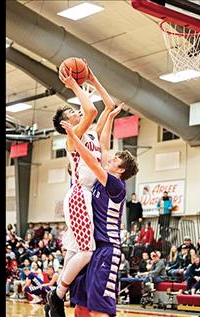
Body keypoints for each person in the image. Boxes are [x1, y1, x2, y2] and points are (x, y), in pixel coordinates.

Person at [48, 103, 138, 317]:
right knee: (82, 306)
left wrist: (75, 139)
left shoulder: (115, 185)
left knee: (98, 310)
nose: (110, 158)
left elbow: (95, 156)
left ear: (120, 170)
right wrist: (110, 116)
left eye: (115, 160)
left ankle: (57, 294)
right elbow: (103, 144)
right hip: (95, 244)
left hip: (107, 248)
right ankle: (57, 295)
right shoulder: (96, 182)